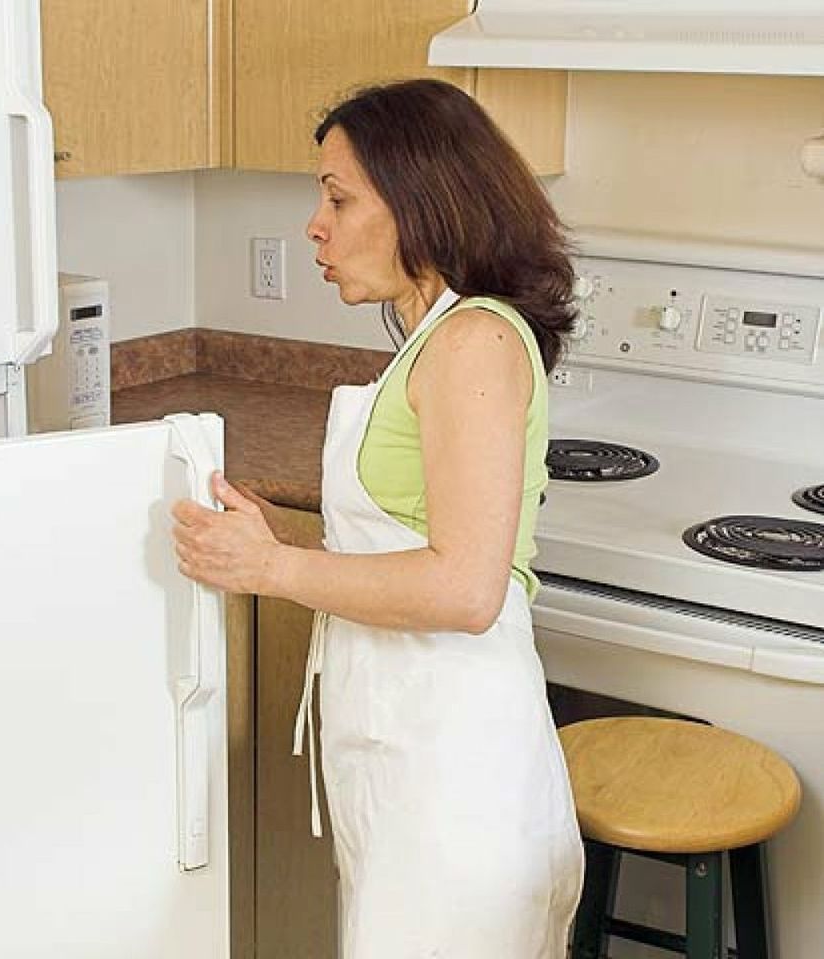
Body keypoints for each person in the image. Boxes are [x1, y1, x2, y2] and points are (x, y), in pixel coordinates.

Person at [172, 77, 584, 959]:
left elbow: (466, 587)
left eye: (338, 196)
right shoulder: (433, 340)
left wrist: (271, 571)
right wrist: (282, 540)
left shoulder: (473, 342)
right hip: (410, 772)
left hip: (458, 790)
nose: (315, 225)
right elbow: (404, 544)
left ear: (419, 204)